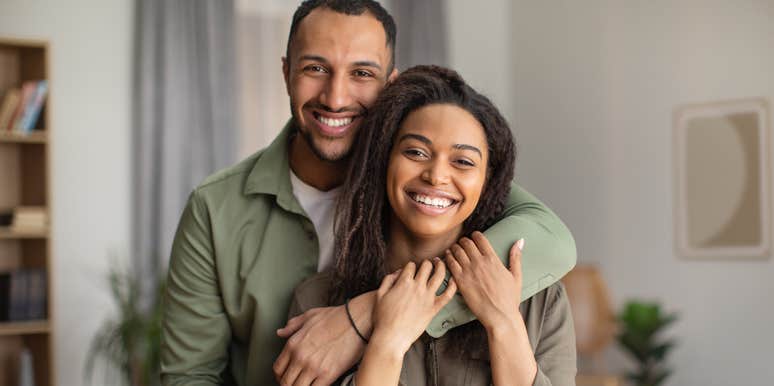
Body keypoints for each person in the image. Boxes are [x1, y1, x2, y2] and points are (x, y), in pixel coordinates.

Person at [160, 1, 576, 385]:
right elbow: (189, 376)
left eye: (361, 73)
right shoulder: (216, 208)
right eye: (315, 68)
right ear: (286, 72)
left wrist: (367, 313)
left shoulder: (440, 186)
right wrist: (386, 327)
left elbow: (553, 241)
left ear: (390, 85)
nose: (336, 97)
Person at [290, 65, 577, 385]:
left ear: (488, 181)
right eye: (415, 152)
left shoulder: (541, 299)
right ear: (384, 161)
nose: (436, 175)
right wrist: (387, 342)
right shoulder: (318, 300)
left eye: (464, 161)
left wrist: (503, 322)